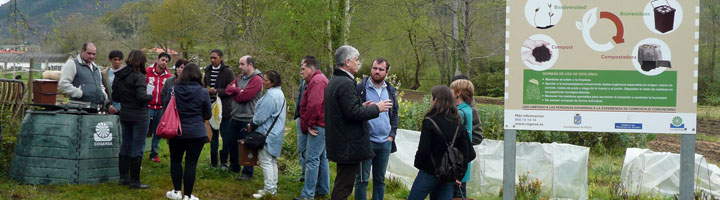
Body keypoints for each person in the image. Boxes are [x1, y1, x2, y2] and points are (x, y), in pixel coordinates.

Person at [324, 45, 392, 200]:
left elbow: (346, 110)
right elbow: (352, 113)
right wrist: (377, 108)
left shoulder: (335, 80)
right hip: (348, 145)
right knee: (344, 188)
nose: (359, 63)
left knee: (342, 184)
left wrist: (361, 107)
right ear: (348, 62)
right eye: (356, 59)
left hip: (341, 143)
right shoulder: (346, 83)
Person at [407, 86, 476, 200]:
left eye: (431, 97)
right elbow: (469, 153)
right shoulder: (457, 121)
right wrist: (458, 174)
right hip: (448, 175)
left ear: (435, 100)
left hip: (429, 172)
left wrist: (419, 165)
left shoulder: (429, 121)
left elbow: (423, 150)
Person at [163, 63, 212, 200]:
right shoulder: (203, 92)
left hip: (176, 131)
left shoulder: (173, 90)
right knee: (191, 163)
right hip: (197, 133)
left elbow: (166, 108)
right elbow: (208, 114)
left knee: (176, 161)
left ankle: (177, 191)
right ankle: (188, 196)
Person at [354, 58, 399, 200]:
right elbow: (352, 111)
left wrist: (391, 135)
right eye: (375, 68)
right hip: (366, 140)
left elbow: (395, 114)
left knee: (380, 180)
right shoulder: (360, 89)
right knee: (362, 180)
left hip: (385, 142)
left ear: (387, 72)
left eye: (380, 69)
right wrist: (363, 108)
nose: (377, 72)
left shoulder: (390, 90)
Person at [112, 50, 153, 189]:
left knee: (126, 145)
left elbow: (116, 97)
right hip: (139, 116)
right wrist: (151, 96)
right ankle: (135, 181)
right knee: (137, 147)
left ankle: (123, 178)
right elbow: (142, 97)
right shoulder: (139, 76)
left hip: (125, 114)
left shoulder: (119, 76)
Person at [294, 56, 330, 200]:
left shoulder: (317, 81)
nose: (301, 72)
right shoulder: (317, 80)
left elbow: (315, 104)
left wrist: (309, 123)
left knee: (312, 159)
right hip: (321, 124)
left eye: (303, 69)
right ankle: (322, 189)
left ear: (311, 68)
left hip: (318, 126)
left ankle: (307, 195)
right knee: (321, 158)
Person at [250, 70, 287, 199]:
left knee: (266, 162)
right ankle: (272, 188)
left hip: (267, 133)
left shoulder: (271, 96)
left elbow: (260, 117)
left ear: (272, 82)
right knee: (272, 162)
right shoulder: (280, 94)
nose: (263, 82)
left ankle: (269, 190)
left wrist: (252, 124)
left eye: (266, 80)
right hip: (276, 133)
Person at [225, 55, 263, 180]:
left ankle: (247, 172)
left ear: (250, 65)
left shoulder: (257, 80)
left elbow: (245, 97)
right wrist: (238, 91)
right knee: (231, 143)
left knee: (248, 146)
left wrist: (237, 92)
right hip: (235, 116)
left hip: (248, 118)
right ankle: (234, 167)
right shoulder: (240, 77)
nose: (240, 67)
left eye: (242, 64)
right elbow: (228, 89)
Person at [203, 49, 235, 169]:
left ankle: (224, 162)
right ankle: (213, 162)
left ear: (221, 58)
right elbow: (203, 85)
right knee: (213, 136)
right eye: (211, 58)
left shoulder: (228, 71)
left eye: (215, 58)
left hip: (224, 109)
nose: (212, 60)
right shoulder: (207, 70)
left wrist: (217, 91)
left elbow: (231, 89)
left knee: (225, 136)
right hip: (211, 108)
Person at [59, 43, 109, 109]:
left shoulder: (96, 68)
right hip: (78, 108)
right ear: (82, 51)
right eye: (89, 53)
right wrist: (79, 93)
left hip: (95, 108)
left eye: (93, 54)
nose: (91, 56)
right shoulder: (72, 64)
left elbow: (100, 85)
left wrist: (103, 95)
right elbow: (63, 83)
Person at [450, 79, 475, 198]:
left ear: (458, 92)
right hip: (463, 166)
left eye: (451, 90)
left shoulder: (459, 113)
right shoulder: (468, 109)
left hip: (456, 166)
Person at [147, 52, 173, 163]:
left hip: (160, 107)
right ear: (157, 59)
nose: (164, 63)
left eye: (166, 61)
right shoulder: (147, 71)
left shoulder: (168, 76)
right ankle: (140, 152)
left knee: (158, 132)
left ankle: (154, 154)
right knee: (144, 130)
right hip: (147, 106)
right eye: (162, 60)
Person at [451, 74, 484, 145]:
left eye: (452, 89)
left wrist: (466, 145)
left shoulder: (469, 110)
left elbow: (478, 137)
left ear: (458, 92)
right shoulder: (455, 105)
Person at [294, 58, 308, 183]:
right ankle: (304, 175)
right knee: (301, 150)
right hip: (300, 119)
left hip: (309, 121)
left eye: (303, 68)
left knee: (311, 153)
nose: (301, 71)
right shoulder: (302, 81)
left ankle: (311, 178)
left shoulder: (314, 82)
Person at [103, 50, 123, 114]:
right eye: (115, 59)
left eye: (119, 60)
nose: (117, 62)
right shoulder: (104, 73)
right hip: (111, 107)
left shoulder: (126, 71)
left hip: (124, 107)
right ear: (110, 60)